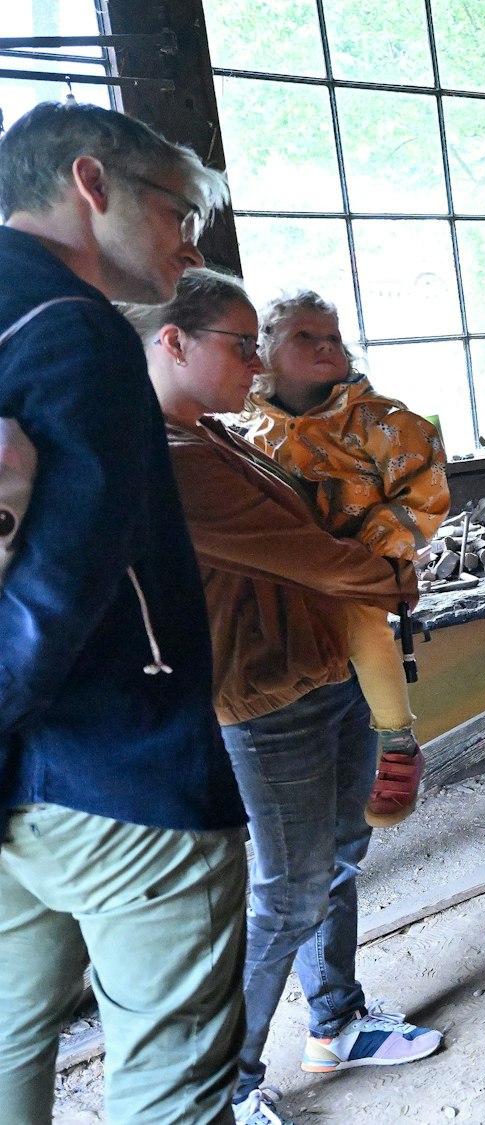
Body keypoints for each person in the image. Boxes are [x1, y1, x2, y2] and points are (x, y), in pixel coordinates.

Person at [127, 268, 445, 1125]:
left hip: (321, 670)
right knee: (289, 890)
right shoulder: (170, 454)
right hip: (267, 698)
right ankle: (223, 1082)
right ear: (173, 342)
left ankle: (336, 1018)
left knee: (337, 858)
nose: (253, 362)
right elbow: (311, 555)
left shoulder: (218, 433)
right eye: (239, 344)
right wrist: (394, 577)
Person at [0, 101, 246, 1125]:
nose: (189, 244)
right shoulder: (79, 329)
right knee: (171, 1082)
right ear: (91, 184)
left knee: (11, 1045)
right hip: (115, 762)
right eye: (176, 211)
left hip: (15, 783)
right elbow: (66, 578)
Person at [240, 291, 448, 828]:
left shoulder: (380, 421)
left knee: (361, 624)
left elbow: (423, 492)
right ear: (261, 352)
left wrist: (365, 554)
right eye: (304, 336)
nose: (324, 345)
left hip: (362, 569)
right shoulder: (250, 429)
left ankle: (399, 739)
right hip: (287, 581)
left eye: (331, 336)